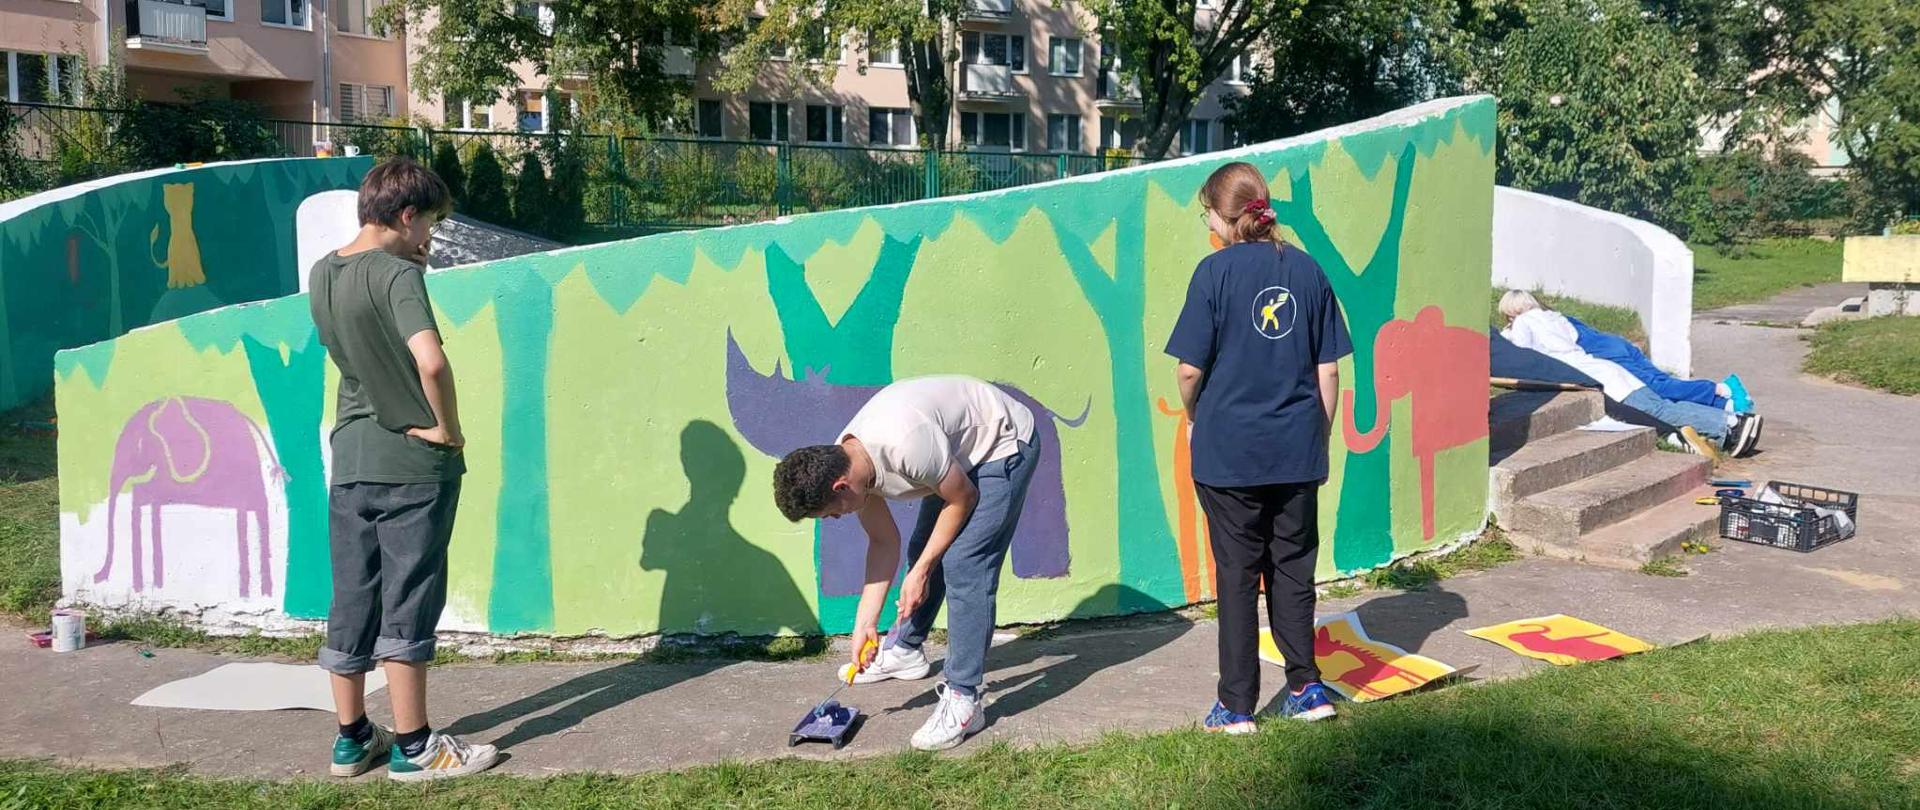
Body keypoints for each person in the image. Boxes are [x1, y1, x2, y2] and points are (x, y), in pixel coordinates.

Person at [311, 158, 498, 781]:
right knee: (409, 595)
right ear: (406, 214)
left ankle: (351, 738)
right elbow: (431, 363)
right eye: (431, 228)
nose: (431, 243)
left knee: (354, 593)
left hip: (352, 456)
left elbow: (354, 353)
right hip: (412, 463)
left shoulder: (323, 273)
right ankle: (416, 747)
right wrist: (446, 430)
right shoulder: (398, 275)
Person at [1164, 161, 1350, 734]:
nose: (1208, 223)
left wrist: (1194, 417)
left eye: (1207, 214)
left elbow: (1189, 372)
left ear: (1224, 217)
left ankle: (1237, 707)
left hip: (1230, 458)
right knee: (1294, 570)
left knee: (1238, 576)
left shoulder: (1212, 273)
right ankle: (1307, 687)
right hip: (1296, 452)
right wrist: (1315, 436)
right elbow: (1329, 373)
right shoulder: (1309, 270)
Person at [773, 376, 1039, 751]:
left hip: (1002, 444)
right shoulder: (846, 461)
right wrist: (864, 625)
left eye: (829, 514)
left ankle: (965, 699)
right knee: (921, 549)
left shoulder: (905, 446)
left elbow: (962, 498)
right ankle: (905, 650)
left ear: (840, 488)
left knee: (965, 563)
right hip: (954, 454)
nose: (834, 520)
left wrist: (924, 569)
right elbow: (884, 543)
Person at [1498, 290, 1761, 457]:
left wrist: (1505, 334)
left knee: (1660, 412)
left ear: (1512, 312)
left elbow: (1520, 351)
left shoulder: (1523, 323)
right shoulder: (1556, 318)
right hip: (1609, 369)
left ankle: (1731, 426)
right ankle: (1730, 420)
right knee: (1664, 403)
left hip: (1596, 377)